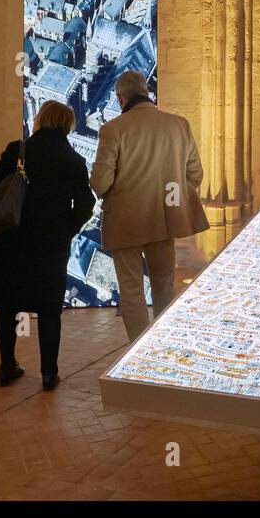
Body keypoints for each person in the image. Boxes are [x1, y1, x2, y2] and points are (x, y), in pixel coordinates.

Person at [0, 100, 95, 391]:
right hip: (49, 244)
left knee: (7, 304)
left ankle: (7, 366)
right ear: (68, 126)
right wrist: (67, 228)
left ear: (40, 119)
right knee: (49, 309)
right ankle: (49, 374)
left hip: (10, 237)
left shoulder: (18, 151)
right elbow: (87, 204)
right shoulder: (74, 161)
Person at [90, 70, 208, 341]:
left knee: (131, 290)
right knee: (164, 284)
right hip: (164, 217)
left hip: (125, 220)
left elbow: (100, 182)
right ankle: (160, 344)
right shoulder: (179, 124)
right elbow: (195, 175)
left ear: (121, 99)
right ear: (146, 92)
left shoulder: (112, 130)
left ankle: (137, 350)